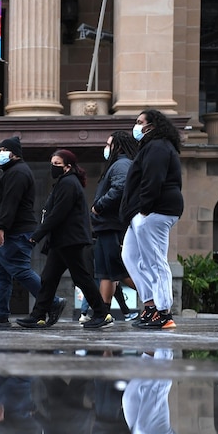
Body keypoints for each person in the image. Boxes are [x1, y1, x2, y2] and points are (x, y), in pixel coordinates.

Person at [16, 149, 113, 329]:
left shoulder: (69, 183)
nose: (53, 167)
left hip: (70, 240)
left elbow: (58, 214)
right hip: (62, 240)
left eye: (57, 164)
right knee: (48, 278)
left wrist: (37, 235)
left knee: (81, 278)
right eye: (52, 163)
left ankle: (102, 313)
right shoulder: (65, 182)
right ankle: (38, 315)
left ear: (68, 167)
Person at [0, 137, 65, 327]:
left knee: (20, 270)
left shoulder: (18, 172)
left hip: (14, 233)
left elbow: (11, 202)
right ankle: (0, 314)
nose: (0, 153)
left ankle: (52, 301)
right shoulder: (12, 172)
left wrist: (1, 226)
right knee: (1, 275)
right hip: (7, 232)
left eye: (4, 149)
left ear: (15, 153)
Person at [120, 109, 184, 329]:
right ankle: (150, 306)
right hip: (144, 213)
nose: (136, 126)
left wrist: (145, 209)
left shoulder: (158, 146)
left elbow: (152, 179)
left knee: (155, 261)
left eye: (140, 122)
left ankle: (164, 313)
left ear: (152, 126)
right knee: (129, 256)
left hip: (155, 211)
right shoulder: (151, 146)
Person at [86, 131, 140, 322]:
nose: (106, 148)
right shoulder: (118, 164)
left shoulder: (121, 164)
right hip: (105, 227)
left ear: (118, 146)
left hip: (112, 226)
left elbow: (120, 187)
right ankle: (102, 313)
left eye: (109, 144)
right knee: (105, 273)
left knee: (118, 271)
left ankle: (155, 301)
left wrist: (99, 206)